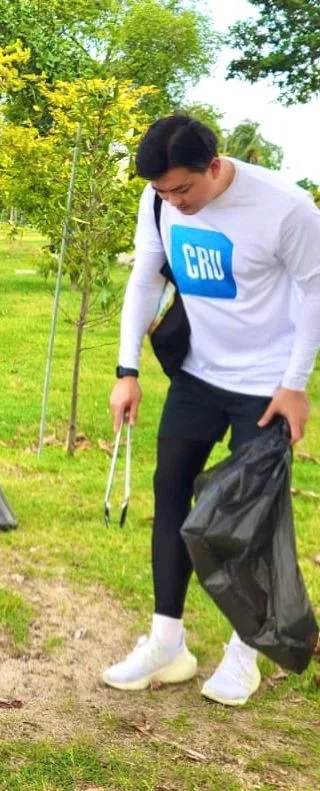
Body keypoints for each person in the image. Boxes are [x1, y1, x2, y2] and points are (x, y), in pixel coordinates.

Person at [103, 115, 320, 706]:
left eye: (182, 190)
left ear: (215, 165)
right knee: (171, 493)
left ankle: (244, 653)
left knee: (247, 517)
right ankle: (166, 643)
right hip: (198, 374)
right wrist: (127, 371)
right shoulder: (159, 205)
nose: (174, 203)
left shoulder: (285, 208)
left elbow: (314, 291)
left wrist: (295, 384)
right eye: (162, 192)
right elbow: (144, 281)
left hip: (267, 384)